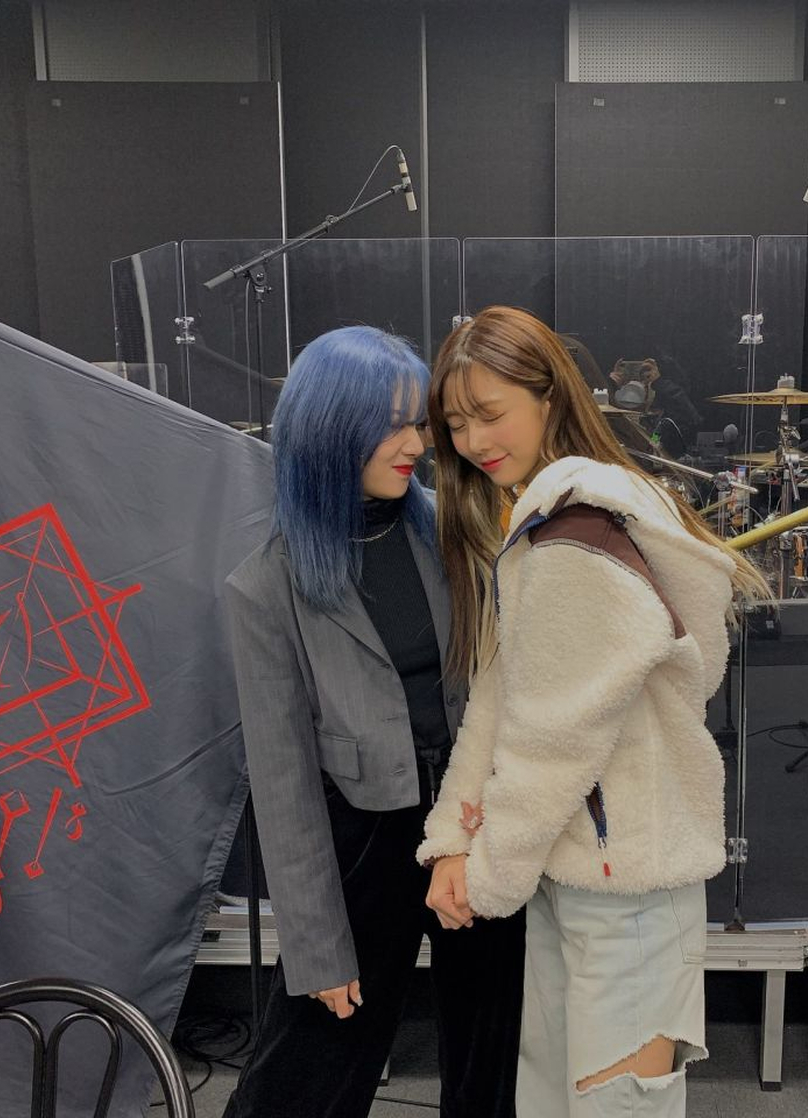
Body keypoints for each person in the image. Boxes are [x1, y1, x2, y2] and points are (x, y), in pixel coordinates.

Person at [415, 306, 769, 1116]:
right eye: (455, 424)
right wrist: (454, 842)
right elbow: (502, 697)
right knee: (560, 1099)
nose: (472, 441)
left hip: (624, 883)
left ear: (549, 397)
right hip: (583, 870)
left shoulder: (573, 538)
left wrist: (484, 873)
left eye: (489, 413)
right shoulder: (557, 524)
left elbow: (551, 739)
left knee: (612, 1106)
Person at [222, 326, 522, 1118]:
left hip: (473, 822)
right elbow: (283, 785)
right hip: (362, 838)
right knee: (311, 1072)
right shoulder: (267, 587)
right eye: (390, 426)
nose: (416, 445)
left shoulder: (456, 531)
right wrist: (316, 949)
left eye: (417, 422)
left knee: (493, 1060)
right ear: (329, 431)